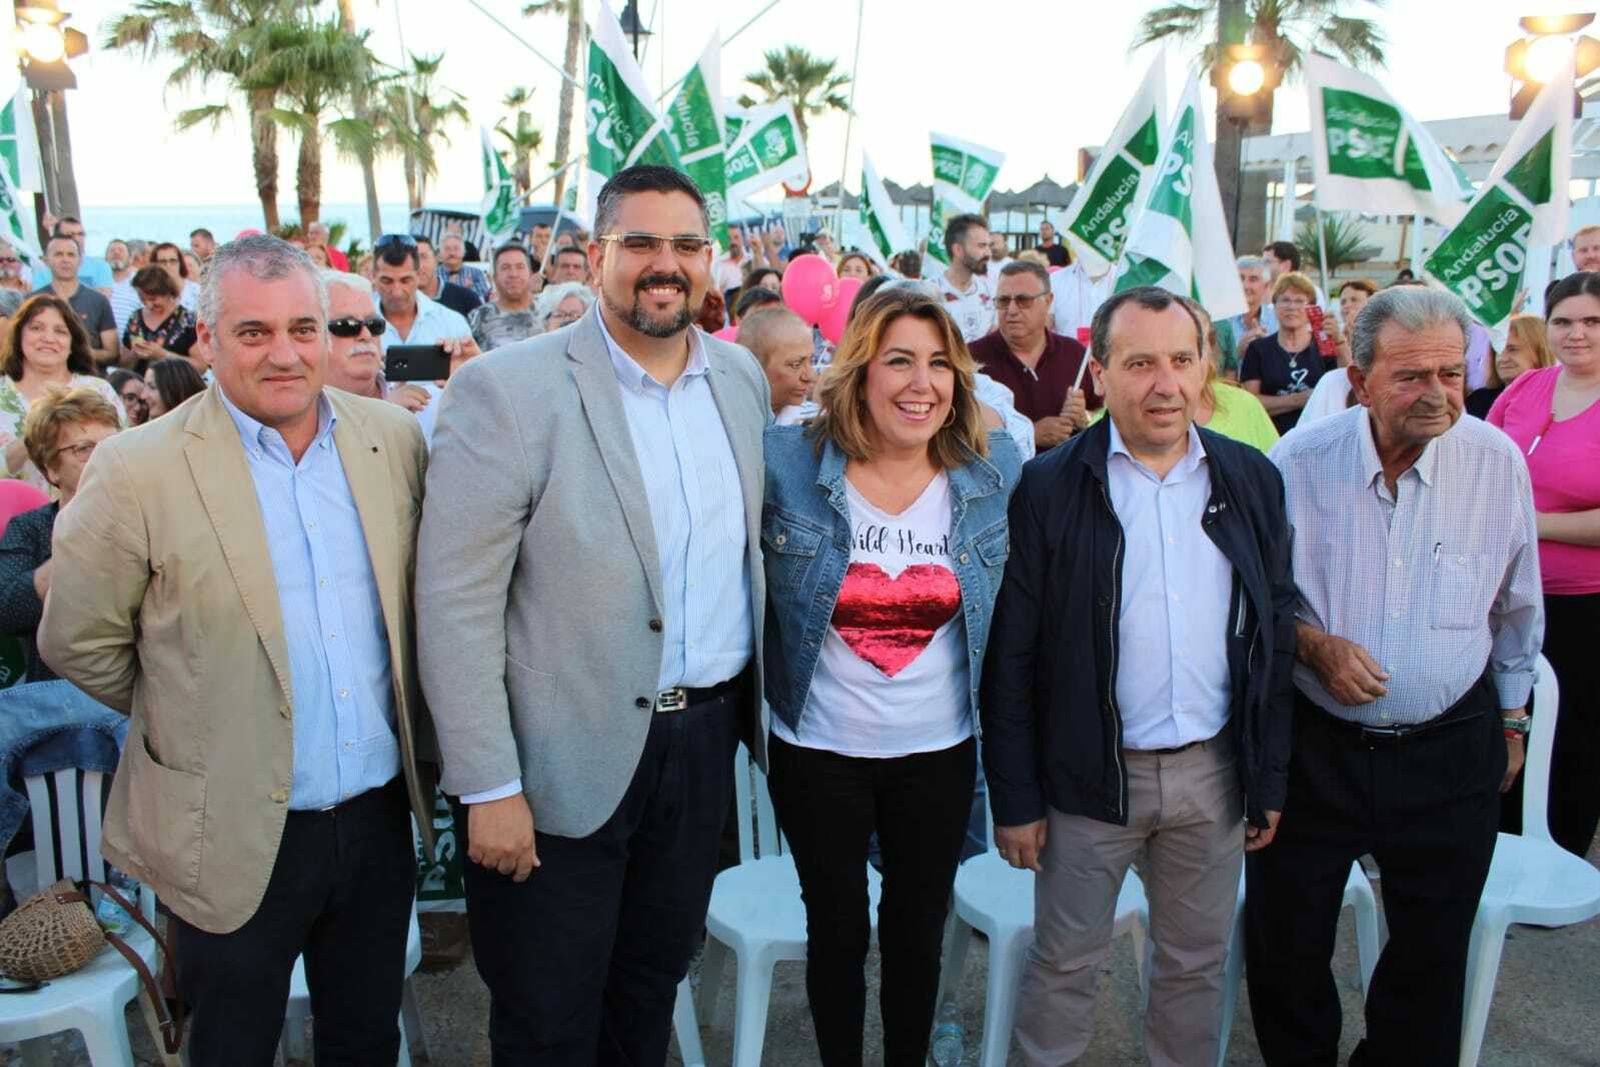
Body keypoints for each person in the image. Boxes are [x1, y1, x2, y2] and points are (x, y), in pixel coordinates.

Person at [38, 235, 437, 1065]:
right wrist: (196, 705)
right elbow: (80, 640)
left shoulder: (390, 440)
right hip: (223, 826)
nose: (285, 353)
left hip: (372, 823)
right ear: (206, 340)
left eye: (303, 327)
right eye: (254, 332)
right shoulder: (133, 468)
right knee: (231, 1048)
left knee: (365, 1041)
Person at [415, 164, 769, 1064]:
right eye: (641, 243)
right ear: (597, 254)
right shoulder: (508, 389)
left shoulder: (739, 380)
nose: (666, 263)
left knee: (647, 997)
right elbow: (454, 604)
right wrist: (487, 784)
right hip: (555, 762)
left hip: (699, 749)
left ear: (710, 260)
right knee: (546, 1018)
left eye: (687, 244)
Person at [982, 285, 1294, 1067]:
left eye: (1182, 361)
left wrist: (1269, 777)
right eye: (1141, 362)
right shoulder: (1051, 485)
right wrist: (1016, 797)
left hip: (1213, 777)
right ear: (1101, 370)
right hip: (1088, 779)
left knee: (1192, 970)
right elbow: (1013, 653)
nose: (1165, 383)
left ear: (1206, 369)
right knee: (1064, 966)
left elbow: (1275, 635)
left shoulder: (1251, 479)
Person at [1247, 287, 1541, 1067]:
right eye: (1411, 376)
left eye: (1451, 372)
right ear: (1357, 373)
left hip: (1450, 750)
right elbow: (1257, 606)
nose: (1437, 393)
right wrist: (1313, 645)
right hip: (1317, 752)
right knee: (1288, 943)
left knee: (1431, 954)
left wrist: (1513, 721)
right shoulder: (1297, 464)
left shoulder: (1496, 462)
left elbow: (1517, 607)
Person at [763, 286, 1020, 1065]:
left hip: (938, 749)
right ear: (858, 370)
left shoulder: (992, 467)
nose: (921, 382)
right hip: (816, 748)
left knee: (918, 927)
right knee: (835, 930)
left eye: (940, 363)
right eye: (899, 359)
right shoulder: (784, 461)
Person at [1487, 273, 1600, 857]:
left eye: (1592, 322)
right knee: (1501, 722)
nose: (1576, 333)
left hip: (1583, 604)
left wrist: (1529, 523)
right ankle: (1491, 850)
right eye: (1564, 321)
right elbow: (1477, 463)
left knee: (1574, 735)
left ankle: (1555, 856)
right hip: (1503, 594)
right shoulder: (1526, 387)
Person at [0, 386, 121, 684]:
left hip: (145, 696)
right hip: (61, 701)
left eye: (114, 445)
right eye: (84, 448)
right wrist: (80, 541)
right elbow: (9, 610)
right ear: (52, 469)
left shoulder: (150, 520)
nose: (103, 457)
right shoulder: (31, 528)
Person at [0, 295, 123, 494]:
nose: (48, 338)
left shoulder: (99, 391)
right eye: (36, 328)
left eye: (60, 331)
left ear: (72, 342)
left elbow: (123, 455)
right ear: (18, 335)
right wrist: (34, 437)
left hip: (89, 512)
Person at [969, 260, 1095, 451]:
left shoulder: (1075, 355)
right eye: (1003, 301)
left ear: (1048, 301)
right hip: (1003, 478)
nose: (1011, 310)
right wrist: (1030, 434)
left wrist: (1084, 417)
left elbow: (1101, 414)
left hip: (1066, 476)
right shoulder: (970, 359)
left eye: (1023, 300)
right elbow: (959, 431)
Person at [372, 234, 479, 443]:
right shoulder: (358, 328)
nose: (396, 291)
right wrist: (384, 402)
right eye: (387, 281)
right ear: (374, 276)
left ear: (418, 274)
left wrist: (468, 373)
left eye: (405, 280)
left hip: (441, 448)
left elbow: (477, 396)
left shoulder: (451, 322)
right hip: (376, 447)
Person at [320, 270, 430, 414]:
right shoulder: (300, 408)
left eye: (374, 325)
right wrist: (385, 413)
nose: (366, 335)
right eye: (348, 326)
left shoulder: (425, 396)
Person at [1240, 271, 1326, 434]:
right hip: (1271, 438)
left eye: (1300, 301)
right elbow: (1251, 403)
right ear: (1275, 305)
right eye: (1285, 300)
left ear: (1312, 308)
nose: (1292, 307)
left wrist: (1341, 342)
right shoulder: (1258, 349)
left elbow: (1342, 391)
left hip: (1318, 438)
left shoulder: (1324, 347)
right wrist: (1299, 399)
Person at [31, 235, 120, 370]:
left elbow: (113, 353)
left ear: (80, 261)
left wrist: (77, 352)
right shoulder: (32, 302)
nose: (65, 260)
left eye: (71, 255)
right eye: (58, 254)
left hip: (88, 381)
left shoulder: (98, 301)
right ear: (46, 260)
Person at [1467, 313, 1554, 419]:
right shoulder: (1478, 402)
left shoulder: (1561, 401)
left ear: (1539, 352)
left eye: (1512, 349)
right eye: (1498, 350)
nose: (1502, 359)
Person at [736, 305, 815, 419]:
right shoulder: (724, 422)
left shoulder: (815, 426)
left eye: (810, 361)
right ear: (754, 366)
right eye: (796, 365)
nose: (810, 376)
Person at [121, 265, 199, 370]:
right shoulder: (135, 319)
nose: (148, 305)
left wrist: (163, 355)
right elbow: (123, 363)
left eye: (153, 299)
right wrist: (134, 354)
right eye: (143, 299)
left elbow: (200, 366)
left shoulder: (188, 320)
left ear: (167, 292)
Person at [468, 244, 545, 350]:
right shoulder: (478, 318)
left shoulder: (547, 311)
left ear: (531, 274)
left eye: (520, 267)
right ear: (494, 277)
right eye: (505, 268)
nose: (513, 274)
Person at [934, 213, 995, 342]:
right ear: (958, 250)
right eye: (981, 246)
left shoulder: (992, 290)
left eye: (989, 246)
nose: (988, 253)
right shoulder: (929, 293)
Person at [1215, 256, 1279, 376]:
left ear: (1266, 286)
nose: (1245, 286)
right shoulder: (1219, 319)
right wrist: (1237, 351)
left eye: (1253, 279)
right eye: (1240, 278)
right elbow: (1211, 369)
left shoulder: (1277, 319)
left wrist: (1264, 349)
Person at [30, 216, 113, 290]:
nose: (77, 238)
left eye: (81, 234)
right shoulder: (43, 270)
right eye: (70, 234)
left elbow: (101, 301)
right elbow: (40, 300)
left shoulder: (100, 266)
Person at [414, 236, 482, 318]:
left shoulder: (466, 298)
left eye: (423, 257)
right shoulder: (398, 303)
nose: (418, 265)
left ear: (436, 260)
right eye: (412, 258)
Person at [1262, 240, 1329, 310]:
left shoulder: (1310, 291)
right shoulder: (1259, 290)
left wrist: (1268, 305)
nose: (1262, 266)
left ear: (1286, 265)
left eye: (1267, 262)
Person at [104, 238, 142, 334]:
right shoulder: (98, 282)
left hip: (131, 344)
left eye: (121, 250)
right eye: (112, 250)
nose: (116, 253)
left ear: (130, 258)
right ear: (105, 258)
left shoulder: (140, 282)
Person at [438, 232, 490, 300]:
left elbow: (484, 298)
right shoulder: (434, 275)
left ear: (464, 252)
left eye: (456, 249)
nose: (452, 253)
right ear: (440, 253)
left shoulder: (476, 273)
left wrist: (468, 290)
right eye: (447, 249)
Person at [152, 241, 201, 311]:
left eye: (173, 261)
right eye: (162, 261)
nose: (168, 265)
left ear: (180, 263)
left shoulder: (197, 292)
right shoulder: (148, 291)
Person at [712, 226, 747, 295]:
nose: (733, 242)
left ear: (742, 239)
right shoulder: (718, 265)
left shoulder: (752, 260)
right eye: (729, 238)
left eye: (736, 237)